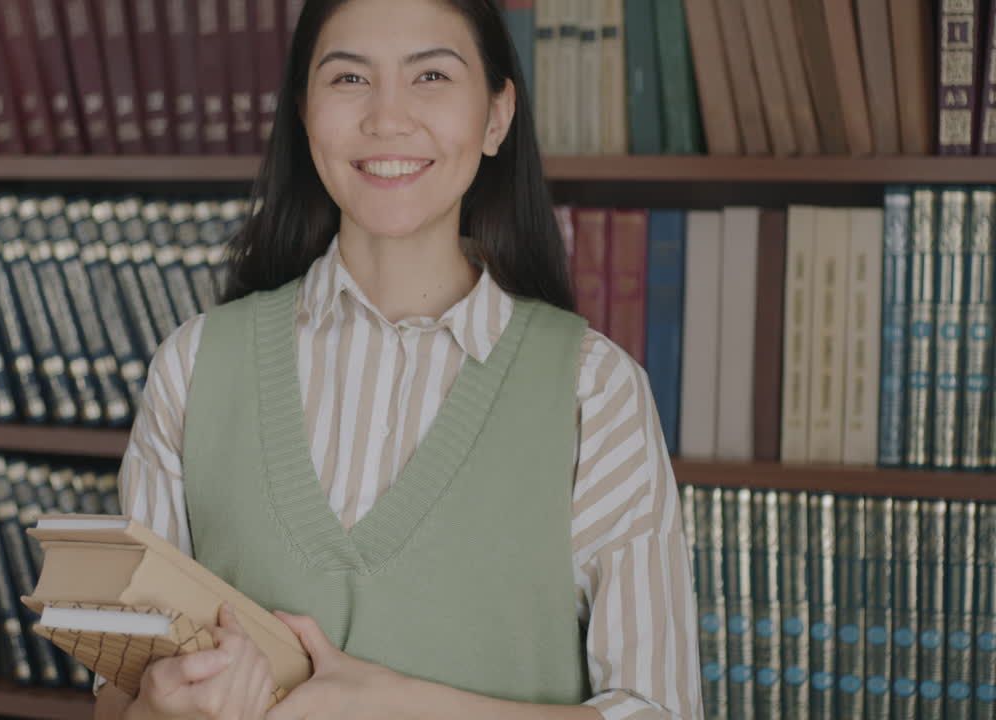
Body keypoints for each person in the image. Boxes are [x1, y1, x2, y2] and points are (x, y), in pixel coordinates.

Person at [95, 0, 703, 718]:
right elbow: (118, 699)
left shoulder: (593, 392)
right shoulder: (194, 367)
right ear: (302, 111)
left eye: (432, 77)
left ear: (497, 116)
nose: (387, 118)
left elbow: (657, 710)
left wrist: (392, 703)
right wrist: (155, 712)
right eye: (349, 79)